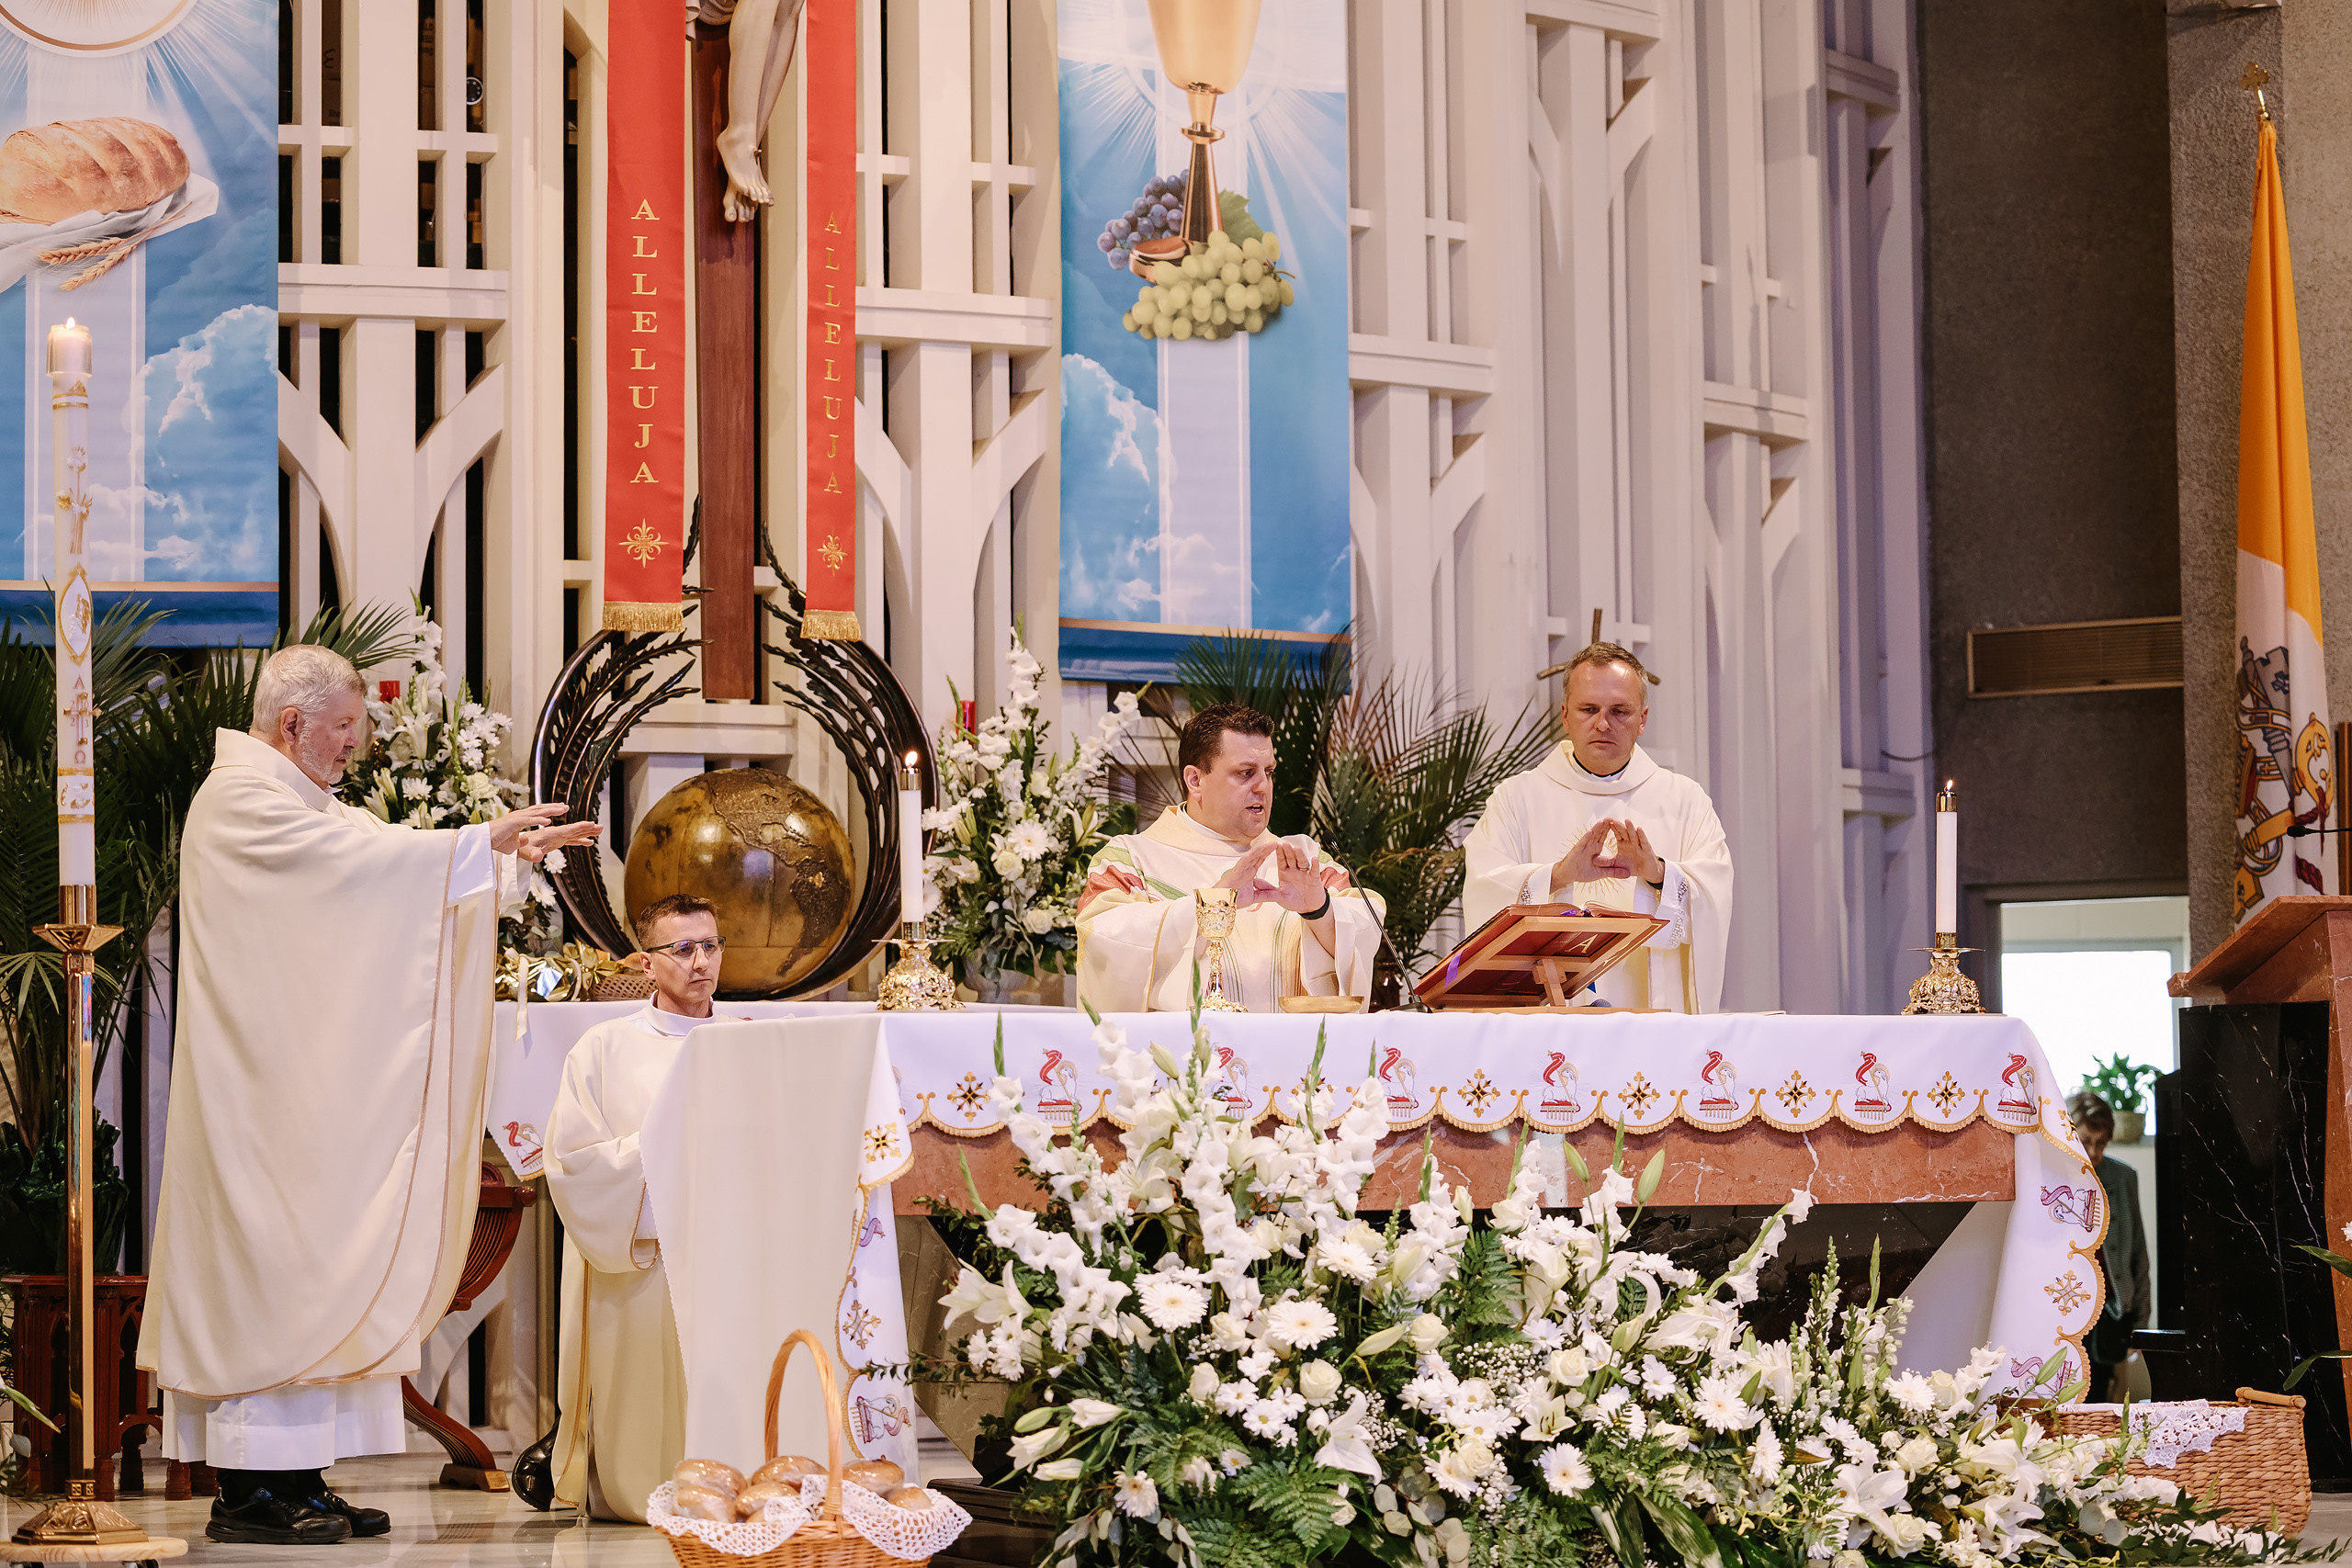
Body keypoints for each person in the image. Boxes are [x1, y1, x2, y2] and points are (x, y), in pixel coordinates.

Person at [138, 646, 600, 1546]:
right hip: (258, 1102)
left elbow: (369, 863)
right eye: (345, 727)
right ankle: (250, 1491)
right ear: (292, 724)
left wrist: (497, 861)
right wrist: (474, 847)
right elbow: (354, 873)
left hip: (299, 1094)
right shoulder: (241, 803)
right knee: (270, 1272)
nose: (357, 745)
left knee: (312, 1264)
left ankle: (299, 1478)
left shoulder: (295, 801)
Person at [545, 894, 740, 1522]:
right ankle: (644, 1486)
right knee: (648, 1434)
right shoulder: (602, 1050)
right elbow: (574, 1164)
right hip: (646, 1258)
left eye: (710, 945)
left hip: (732, 1262)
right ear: (648, 963)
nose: (700, 961)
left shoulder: (751, 1043)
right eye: (682, 949)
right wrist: (661, 1148)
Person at [1461, 642, 1733, 1011]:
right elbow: (1483, 888)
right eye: (1589, 709)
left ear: (1643, 719)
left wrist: (1657, 875)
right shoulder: (1516, 799)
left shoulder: (1685, 801)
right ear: (1565, 715)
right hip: (1546, 1029)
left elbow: (1715, 892)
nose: (1603, 723)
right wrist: (1556, 876)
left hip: (1655, 1027)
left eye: (1620, 711)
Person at [1077, 704, 1383, 1012]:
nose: (1263, 787)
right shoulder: (1131, 860)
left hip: (1292, 1055)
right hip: (1187, 1056)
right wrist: (1213, 905)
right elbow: (1103, 940)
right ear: (1195, 780)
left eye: (1269, 772)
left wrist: (1319, 910)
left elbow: (1367, 921)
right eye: (1245, 773)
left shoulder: (1302, 861)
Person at [2069, 1091, 2150, 1402]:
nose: (2094, 1152)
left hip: (2111, 1310)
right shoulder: (2049, 1176)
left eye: (2101, 1143)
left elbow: (2138, 1252)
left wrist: (2141, 1323)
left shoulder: (2123, 1177)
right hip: (2067, 1305)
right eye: (2086, 1141)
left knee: (2102, 1397)